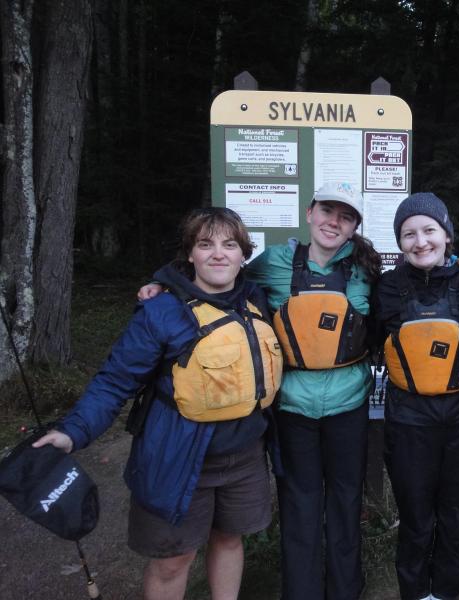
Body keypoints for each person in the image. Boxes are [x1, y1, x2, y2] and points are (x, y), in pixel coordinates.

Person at [138, 182, 382, 600]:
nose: (333, 221)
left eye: (345, 216)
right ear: (310, 213)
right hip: (292, 406)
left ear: (354, 225)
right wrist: (164, 283)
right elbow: (218, 276)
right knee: (299, 502)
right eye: (327, 210)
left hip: (349, 403)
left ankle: (345, 590)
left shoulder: (365, 270)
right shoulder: (275, 262)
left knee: (345, 499)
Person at [34, 207, 282, 600]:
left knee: (230, 542)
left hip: (246, 454)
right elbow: (115, 381)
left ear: (242, 254)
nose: (218, 253)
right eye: (205, 244)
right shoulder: (162, 310)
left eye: (229, 244)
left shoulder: (254, 300)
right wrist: (71, 432)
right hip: (177, 456)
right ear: (190, 254)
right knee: (173, 560)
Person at [375, 193, 459, 600]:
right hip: (408, 417)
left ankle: (445, 591)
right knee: (414, 513)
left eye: (429, 230)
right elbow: (374, 342)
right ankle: (413, 590)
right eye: (409, 234)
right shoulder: (387, 286)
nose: (420, 241)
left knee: (456, 513)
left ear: (446, 234)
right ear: (399, 242)